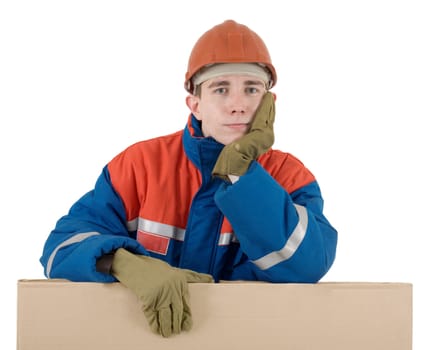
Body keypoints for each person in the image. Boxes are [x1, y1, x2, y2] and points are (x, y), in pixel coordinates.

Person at [40, 19, 338, 337]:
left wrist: (243, 175)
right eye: (220, 89)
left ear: (270, 104)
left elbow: (307, 265)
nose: (238, 105)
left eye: (251, 89)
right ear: (194, 105)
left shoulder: (289, 177)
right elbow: (60, 248)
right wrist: (123, 263)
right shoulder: (139, 166)